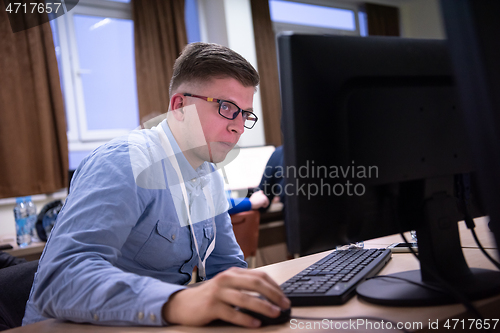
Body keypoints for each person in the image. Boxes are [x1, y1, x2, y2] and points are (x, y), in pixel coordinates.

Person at [22, 43, 290, 328]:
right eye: (226, 108)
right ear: (180, 106)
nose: (238, 126)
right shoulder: (125, 161)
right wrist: (177, 301)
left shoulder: (208, 174)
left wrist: (254, 299)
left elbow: (225, 266)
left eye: (245, 114)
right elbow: (60, 280)